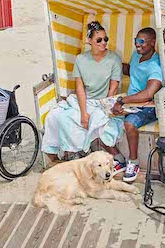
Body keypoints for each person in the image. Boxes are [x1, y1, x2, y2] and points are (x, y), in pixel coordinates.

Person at [42, 21, 122, 163]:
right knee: (56, 116)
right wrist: (84, 112)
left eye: (105, 39)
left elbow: (113, 89)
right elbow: (80, 88)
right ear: (89, 41)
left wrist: (106, 110)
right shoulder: (80, 59)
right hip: (85, 101)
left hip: (103, 103)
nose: (103, 43)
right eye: (99, 40)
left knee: (97, 121)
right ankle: (57, 158)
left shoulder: (114, 59)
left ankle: (84, 153)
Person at [108, 27, 163, 182]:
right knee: (101, 116)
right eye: (135, 41)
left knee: (130, 124)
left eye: (141, 42)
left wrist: (122, 101)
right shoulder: (137, 55)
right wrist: (110, 62)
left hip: (147, 106)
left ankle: (134, 162)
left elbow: (148, 94)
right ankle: (118, 158)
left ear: (152, 43)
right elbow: (131, 70)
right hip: (130, 102)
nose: (137, 45)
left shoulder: (155, 66)